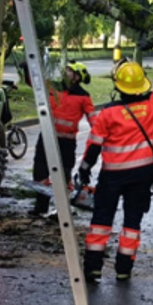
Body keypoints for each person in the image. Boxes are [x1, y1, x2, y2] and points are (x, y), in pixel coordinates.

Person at [76, 39, 153, 282]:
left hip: (112, 176)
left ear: (118, 86)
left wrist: (84, 170)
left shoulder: (108, 113)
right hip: (142, 175)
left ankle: (93, 268)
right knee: (132, 222)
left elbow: (93, 147)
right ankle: (124, 269)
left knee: (101, 221)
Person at [31, 61, 96, 218]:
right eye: (66, 70)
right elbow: (35, 82)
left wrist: (102, 133)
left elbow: (93, 119)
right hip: (46, 137)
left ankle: (63, 209)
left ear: (77, 76)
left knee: (64, 176)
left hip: (66, 142)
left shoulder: (83, 96)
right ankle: (41, 207)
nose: (66, 73)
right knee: (40, 172)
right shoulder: (54, 88)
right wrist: (29, 67)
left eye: (69, 71)